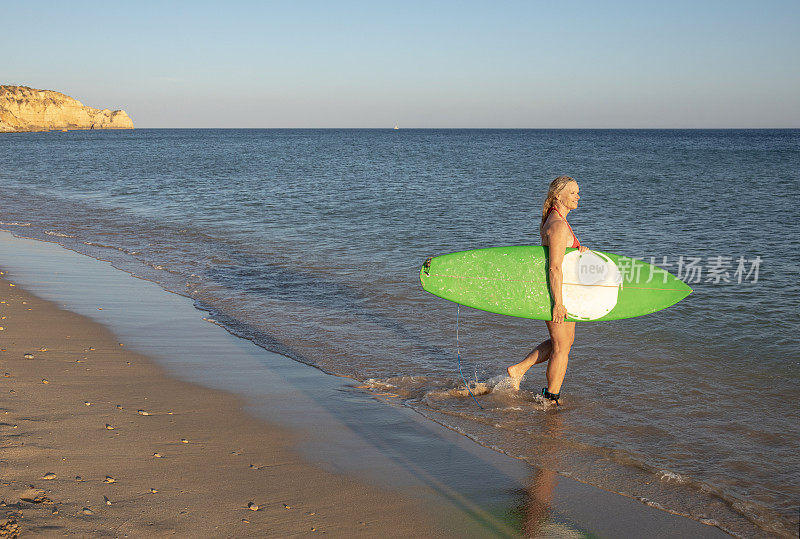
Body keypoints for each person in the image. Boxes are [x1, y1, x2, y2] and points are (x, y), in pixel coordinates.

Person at [506, 176, 588, 404]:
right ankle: (551, 398)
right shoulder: (558, 225)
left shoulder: (556, 220)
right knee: (561, 347)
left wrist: (577, 250)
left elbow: (560, 258)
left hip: (562, 291)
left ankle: (519, 369)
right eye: (573, 193)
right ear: (557, 196)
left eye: (577, 192)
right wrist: (558, 303)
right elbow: (553, 267)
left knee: (564, 343)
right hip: (556, 293)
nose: (577, 196)